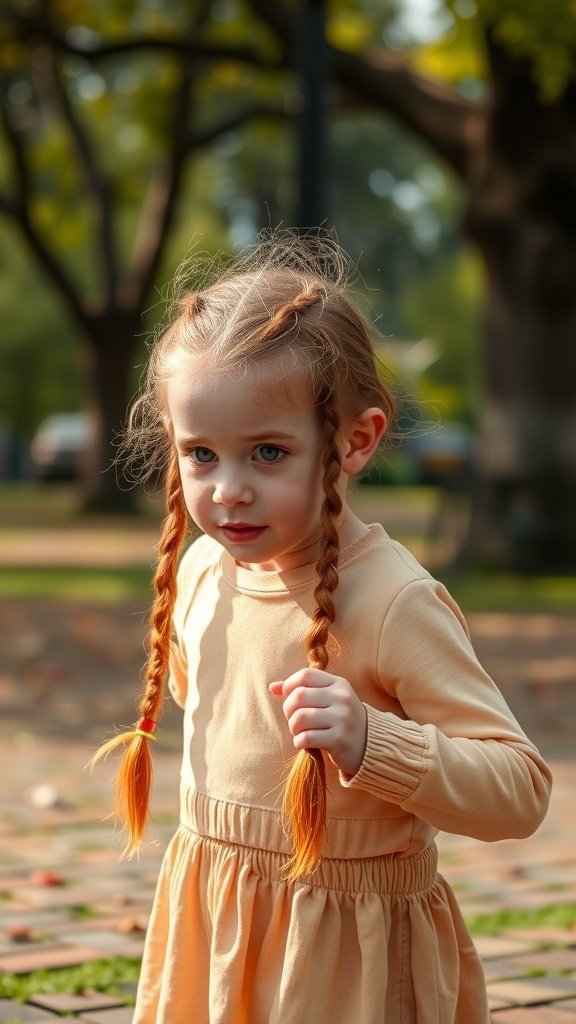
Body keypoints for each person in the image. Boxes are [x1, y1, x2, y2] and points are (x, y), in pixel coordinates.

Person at [94, 232, 551, 1024]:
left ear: (355, 441)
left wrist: (375, 743)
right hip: (218, 924)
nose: (228, 491)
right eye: (201, 455)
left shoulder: (394, 602)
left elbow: (519, 792)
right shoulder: (204, 570)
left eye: (267, 452)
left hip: (344, 958)